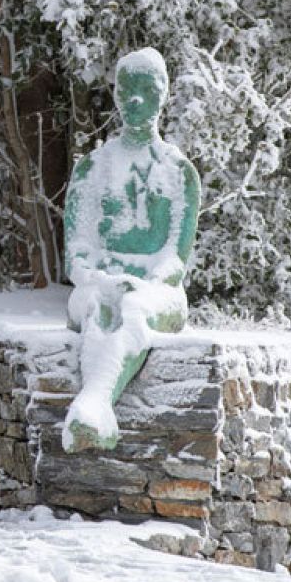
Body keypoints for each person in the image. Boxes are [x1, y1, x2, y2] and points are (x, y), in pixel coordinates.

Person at [61, 47, 200, 452]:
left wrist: (146, 279)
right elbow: (78, 247)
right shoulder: (93, 168)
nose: (137, 100)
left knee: (133, 307)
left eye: (148, 89)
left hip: (157, 293)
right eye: (128, 89)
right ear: (117, 95)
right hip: (98, 284)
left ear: (163, 93)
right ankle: (94, 409)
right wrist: (93, 274)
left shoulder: (178, 172)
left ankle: (95, 402)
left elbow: (175, 256)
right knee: (97, 306)